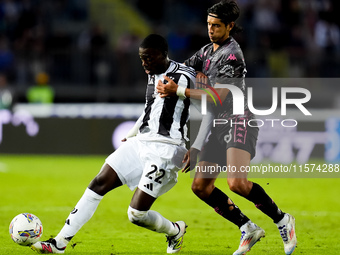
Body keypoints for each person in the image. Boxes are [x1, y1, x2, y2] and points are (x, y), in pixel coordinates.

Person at [31, 34, 196, 254]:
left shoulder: (184, 76)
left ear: (163, 54)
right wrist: (133, 132)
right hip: (141, 143)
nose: (144, 63)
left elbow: (211, 105)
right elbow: (152, 108)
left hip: (166, 149)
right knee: (99, 182)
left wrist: (197, 147)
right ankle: (59, 243)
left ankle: (174, 231)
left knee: (136, 215)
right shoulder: (153, 73)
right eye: (141, 58)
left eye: (149, 58)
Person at [156, 1, 297, 255]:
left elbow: (217, 97)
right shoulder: (207, 51)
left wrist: (179, 90)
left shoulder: (232, 54)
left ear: (230, 26)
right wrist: (164, 76)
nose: (211, 30)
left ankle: (282, 220)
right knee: (200, 185)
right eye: (209, 24)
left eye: (217, 26)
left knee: (237, 183)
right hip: (218, 125)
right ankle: (247, 227)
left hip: (239, 119)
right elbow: (185, 70)